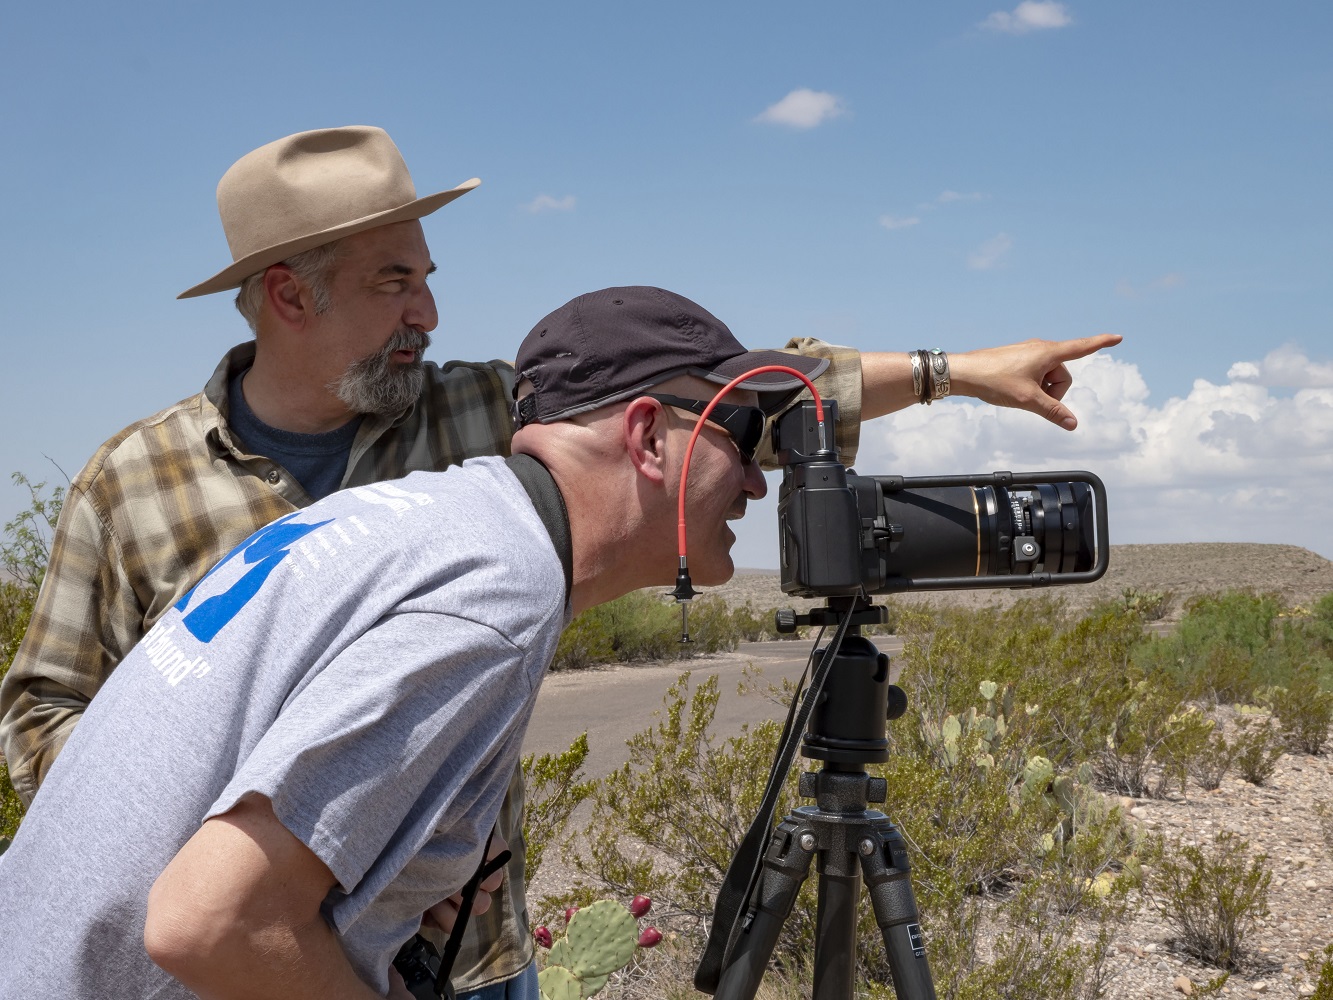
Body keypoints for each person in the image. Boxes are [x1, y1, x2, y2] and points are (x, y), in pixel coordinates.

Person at [0, 125, 1119, 996]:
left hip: (459, 940)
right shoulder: (136, 483)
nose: (431, 311)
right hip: (250, 947)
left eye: (427, 276)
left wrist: (954, 372)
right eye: (395, 282)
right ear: (291, 294)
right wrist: (292, 837)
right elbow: (57, 721)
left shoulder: (483, 420)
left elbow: (727, 401)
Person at [0, 285, 826, 998]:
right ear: (646, 436)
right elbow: (210, 923)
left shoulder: (421, 518)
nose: (758, 481)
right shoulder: (491, 598)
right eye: (742, 431)